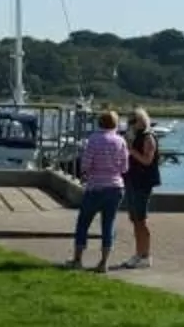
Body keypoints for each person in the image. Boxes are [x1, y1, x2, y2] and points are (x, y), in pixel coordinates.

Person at [70, 111, 129, 270]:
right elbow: (124, 167)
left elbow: (85, 164)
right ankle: (103, 262)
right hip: (116, 187)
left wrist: (87, 174)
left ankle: (77, 260)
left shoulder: (94, 140)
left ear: (100, 123)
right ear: (115, 124)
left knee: (83, 223)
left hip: (95, 186)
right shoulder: (121, 141)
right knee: (108, 224)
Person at [122, 109, 164, 269]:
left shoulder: (148, 138)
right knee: (134, 219)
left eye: (134, 121)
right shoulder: (135, 137)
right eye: (130, 121)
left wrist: (131, 151)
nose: (131, 124)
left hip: (143, 182)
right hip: (132, 179)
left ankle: (145, 255)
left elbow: (147, 160)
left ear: (142, 121)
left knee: (141, 218)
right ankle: (139, 253)